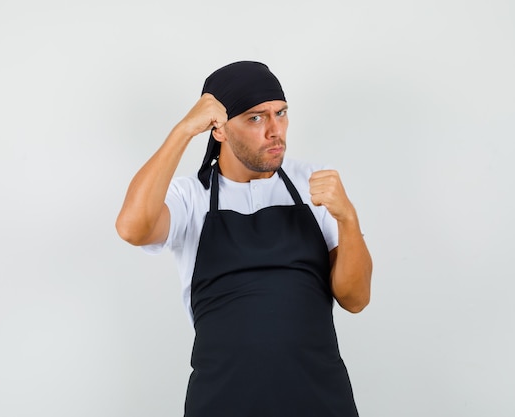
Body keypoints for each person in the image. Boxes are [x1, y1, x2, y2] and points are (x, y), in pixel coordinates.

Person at [116, 61, 373, 417]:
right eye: (255, 118)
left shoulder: (312, 183)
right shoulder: (192, 197)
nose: (275, 131)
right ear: (218, 130)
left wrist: (348, 217)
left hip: (320, 400)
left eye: (280, 114)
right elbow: (133, 228)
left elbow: (356, 298)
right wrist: (183, 131)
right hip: (223, 403)